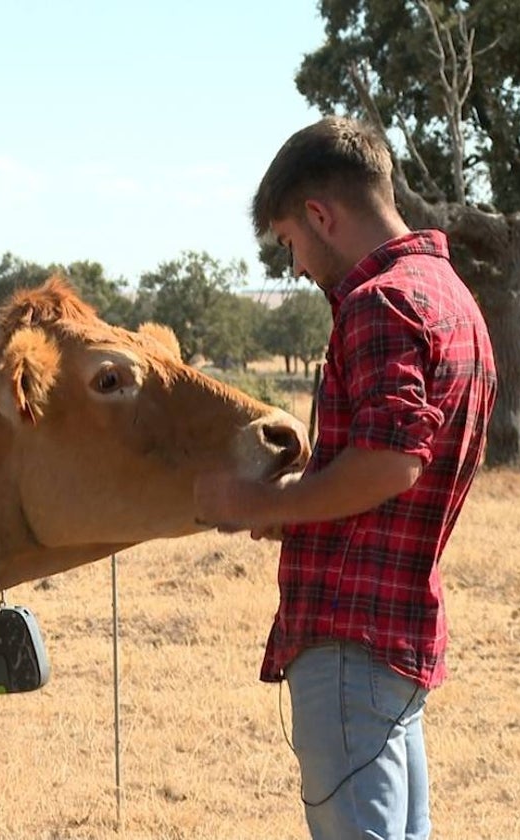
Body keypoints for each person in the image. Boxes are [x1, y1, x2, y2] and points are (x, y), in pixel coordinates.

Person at [193, 115, 496, 839]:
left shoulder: (379, 303)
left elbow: (392, 462)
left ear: (321, 215)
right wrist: (293, 505)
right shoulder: (451, 297)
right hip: (398, 633)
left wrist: (260, 500)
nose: (295, 266)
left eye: (290, 242)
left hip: (350, 641)